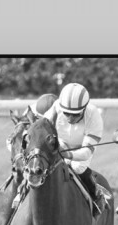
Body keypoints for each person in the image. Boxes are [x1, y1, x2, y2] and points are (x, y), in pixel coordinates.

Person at [43, 82, 110, 213]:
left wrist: (67, 155)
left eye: (75, 114)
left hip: (81, 149)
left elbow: (86, 153)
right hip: (61, 143)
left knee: (77, 168)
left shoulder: (93, 115)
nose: (70, 118)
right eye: (67, 113)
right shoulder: (57, 106)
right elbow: (42, 126)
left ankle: (95, 196)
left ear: (84, 109)